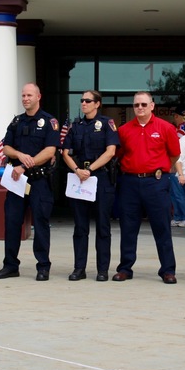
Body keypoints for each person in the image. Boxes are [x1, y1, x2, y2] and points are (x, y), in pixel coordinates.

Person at [0, 83, 60, 281]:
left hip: (38, 180)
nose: (25, 98)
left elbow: (50, 151)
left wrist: (24, 165)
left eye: (29, 95)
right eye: (23, 95)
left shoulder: (49, 122)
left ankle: (43, 266)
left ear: (38, 96)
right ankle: (10, 265)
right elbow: (6, 148)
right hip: (16, 181)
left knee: (40, 224)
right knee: (12, 223)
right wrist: (20, 155)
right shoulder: (16, 122)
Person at [113, 91, 180, 284]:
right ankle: (125, 268)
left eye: (143, 104)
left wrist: (161, 170)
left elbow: (174, 154)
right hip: (130, 183)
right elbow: (119, 154)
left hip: (156, 183)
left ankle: (168, 270)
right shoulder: (124, 130)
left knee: (162, 227)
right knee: (128, 228)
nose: (140, 108)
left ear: (152, 106)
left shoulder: (166, 127)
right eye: (136, 105)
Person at [61, 90, 120, 281]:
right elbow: (65, 152)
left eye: (88, 100)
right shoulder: (75, 126)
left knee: (103, 226)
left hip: (100, 178)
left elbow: (110, 151)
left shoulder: (106, 124)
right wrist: (78, 170)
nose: (83, 103)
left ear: (97, 104)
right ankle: (79, 268)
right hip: (79, 179)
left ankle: (102, 269)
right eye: (82, 100)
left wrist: (90, 169)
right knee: (80, 227)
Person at [169, 105, 185, 228]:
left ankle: (181, 217)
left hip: (180, 165)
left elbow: (176, 150)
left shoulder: (180, 130)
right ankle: (180, 217)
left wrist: (172, 163)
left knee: (178, 193)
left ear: (176, 116)